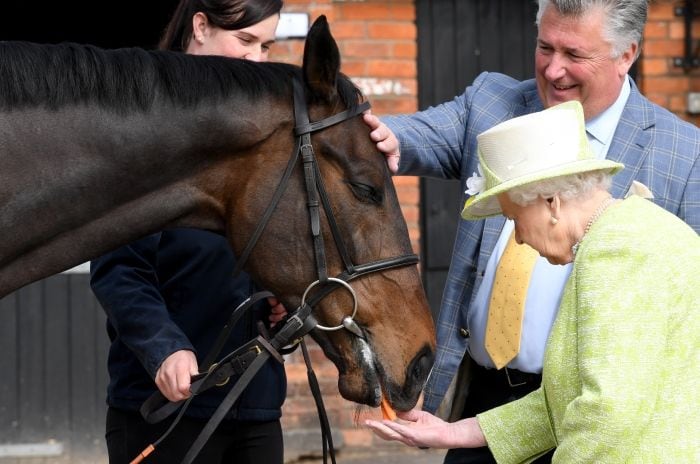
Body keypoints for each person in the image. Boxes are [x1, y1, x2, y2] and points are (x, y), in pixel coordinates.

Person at [363, 1, 700, 462]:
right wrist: (371, 141)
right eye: (544, 47)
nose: (554, 69)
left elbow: (609, 414)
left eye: (575, 54)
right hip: (493, 405)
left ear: (626, 54)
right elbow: (411, 134)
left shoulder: (669, 177)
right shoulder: (494, 102)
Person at [89, 1, 286, 463]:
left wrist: (281, 301)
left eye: (267, 46)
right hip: (163, 411)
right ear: (200, 26)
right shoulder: (143, 133)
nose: (257, 60)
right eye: (245, 41)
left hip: (256, 406)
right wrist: (164, 349)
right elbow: (119, 269)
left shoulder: (259, 138)